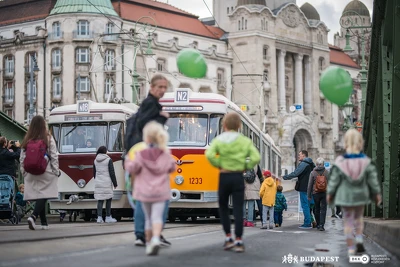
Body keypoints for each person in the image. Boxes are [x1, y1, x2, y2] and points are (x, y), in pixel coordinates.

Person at [125, 74, 171, 247]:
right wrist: (163, 117)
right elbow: (146, 125)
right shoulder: (151, 103)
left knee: (142, 195)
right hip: (146, 152)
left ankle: (144, 234)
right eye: (159, 87)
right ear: (151, 87)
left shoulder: (150, 103)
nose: (162, 90)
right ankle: (151, 234)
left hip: (138, 152)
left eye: (165, 87)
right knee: (161, 196)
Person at [205, 112, 260, 253]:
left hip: (224, 176)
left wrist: (219, 164)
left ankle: (228, 237)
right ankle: (239, 240)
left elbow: (209, 154)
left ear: (224, 125)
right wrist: (245, 166)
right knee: (238, 208)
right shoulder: (244, 141)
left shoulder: (219, 139)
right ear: (239, 125)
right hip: (237, 177)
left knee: (223, 207)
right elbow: (256, 157)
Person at [327, 129, 381, 257]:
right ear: (360, 143)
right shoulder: (366, 161)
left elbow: (334, 180)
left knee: (348, 221)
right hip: (361, 195)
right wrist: (377, 193)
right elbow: (372, 179)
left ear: (346, 144)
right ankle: (359, 239)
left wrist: (330, 194)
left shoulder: (340, 161)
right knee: (359, 218)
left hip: (345, 196)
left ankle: (351, 248)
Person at [125, 122, 176, 256]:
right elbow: (172, 168)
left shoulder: (140, 154)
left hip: (145, 192)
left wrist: (127, 160)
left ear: (146, 138)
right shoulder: (165, 153)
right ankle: (155, 238)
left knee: (148, 219)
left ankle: (148, 244)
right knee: (157, 217)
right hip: (161, 192)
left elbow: (132, 168)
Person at [20, 115, 60, 230]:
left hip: (30, 172)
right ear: (43, 125)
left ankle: (44, 223)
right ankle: (33, 216)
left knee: (40, 196)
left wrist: (24, 172)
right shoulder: (47, 137)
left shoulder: (28, 138)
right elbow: (54, 156)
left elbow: (22, 157)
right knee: (44, 194)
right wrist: (55, 171)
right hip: (45, 171)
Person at [283, 150, 315, 229]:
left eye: (300, 155)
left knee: (305, 205)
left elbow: (295, 173)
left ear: (304, 156)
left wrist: (285, 177)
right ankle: (312, 220)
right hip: (311, 188)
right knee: (310, 205)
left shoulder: (303, 164)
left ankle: (307, 223)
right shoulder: (312, 164)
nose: (298, 156)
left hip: (304, 188)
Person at [93, 146, 118, 224]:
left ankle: (99, 218)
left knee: (100, 200)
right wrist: (115, 183)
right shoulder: (108, 160)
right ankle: (108, 217)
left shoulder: (95, 160)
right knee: (108, 199)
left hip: (98, 182)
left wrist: (97, 180)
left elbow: (94, 173)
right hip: (107, 182)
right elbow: (112, 173)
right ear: (105, 151)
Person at [307, 157, 329, 231]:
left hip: (315, 193)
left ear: (316, 164)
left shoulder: (313, 173)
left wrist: (309, 195)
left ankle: (318, 224)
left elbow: (310, 185)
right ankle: (322, 225)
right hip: (324, 193)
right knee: (323, 209)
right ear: (323, 164)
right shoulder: (326, 172)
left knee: (316, 208)